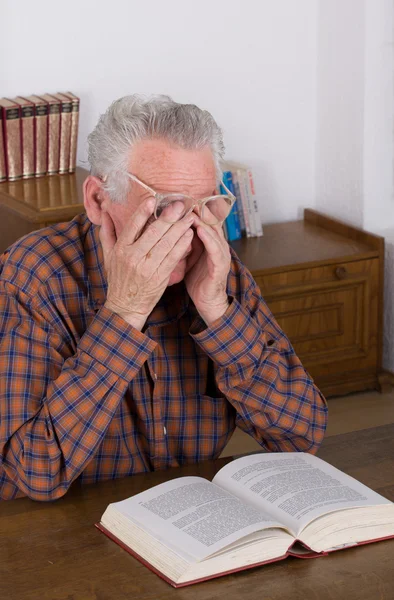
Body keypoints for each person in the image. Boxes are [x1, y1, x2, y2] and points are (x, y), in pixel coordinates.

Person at [0, 95, 327, 501]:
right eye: (168, 209)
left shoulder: (212, 264)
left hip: (189, 522)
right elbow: (35, 472)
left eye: (204, 206)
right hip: (68, 538)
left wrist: (218, 314)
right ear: (99, 200)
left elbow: (302, 434)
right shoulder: (34, 276)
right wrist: (125, 312)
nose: (188, 235)